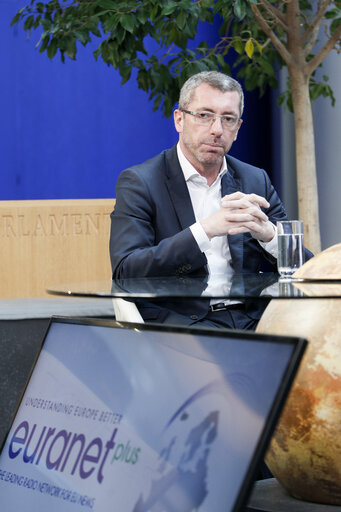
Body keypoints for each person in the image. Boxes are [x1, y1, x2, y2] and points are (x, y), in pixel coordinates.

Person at [110, 71, 311, 329]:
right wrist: (205, 230)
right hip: (184, 323)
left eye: (228, 119)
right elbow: (127, 271)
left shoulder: (254, 179)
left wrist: (270, 236)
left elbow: (308, 270)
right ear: (180, 120)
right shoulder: (141, 182)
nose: (217, 130)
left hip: (254, 319)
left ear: (237, 129)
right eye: (204, 116)